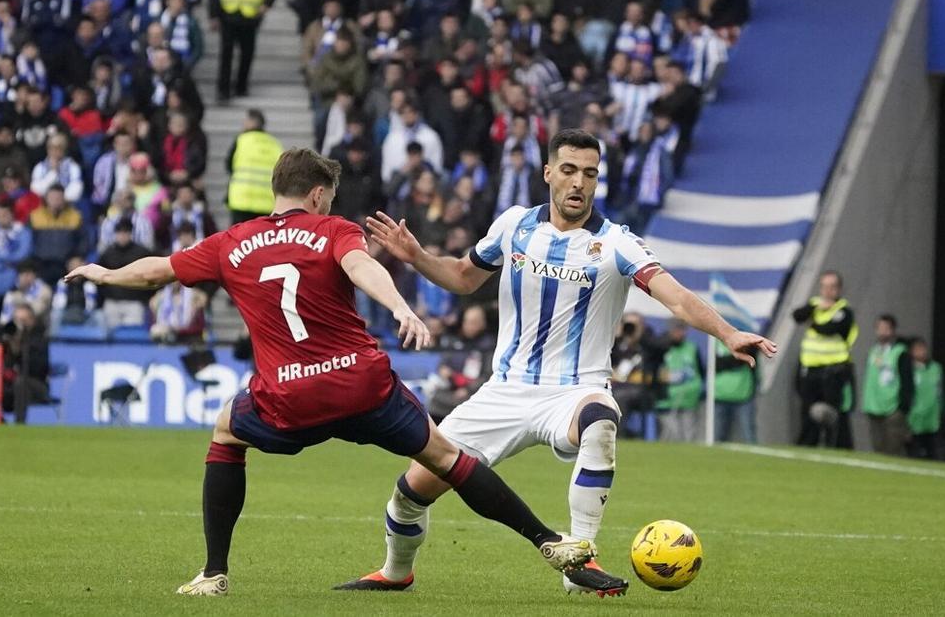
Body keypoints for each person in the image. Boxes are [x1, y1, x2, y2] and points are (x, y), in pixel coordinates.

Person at [64, 147, 596, 596]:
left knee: (226, 430)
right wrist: (399, 307)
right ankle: (547, 539)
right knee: (445, 457)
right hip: (361, 386)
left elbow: (157, 271)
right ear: (318, 195)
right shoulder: (332, 229)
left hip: (289, 397)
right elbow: (361, 266)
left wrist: (105, 273)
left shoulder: (229, 244)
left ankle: (214, 571)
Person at [346, 129, 775, 595]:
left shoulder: (618, 244)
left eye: (589, 174)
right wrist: (417, 257)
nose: (579, 183)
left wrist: (728, 332)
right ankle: (395, 572)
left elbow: (675, 297)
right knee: (410, 493)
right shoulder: (514, 225)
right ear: (548, 173)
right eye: (569, 170)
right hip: (504, 390)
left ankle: (580, 560)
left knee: (601, 419)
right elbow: (464, 278)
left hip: (574, 390)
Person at [792, 271, 857, 449]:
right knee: (808, 412)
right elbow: (797, 315)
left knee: (833, 413)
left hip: (834, 370)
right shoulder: (814, 305)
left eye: (832, 287)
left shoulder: (843, 310)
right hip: (811, 368)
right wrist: (814, 309)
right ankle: (807, 446)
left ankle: (835, 446)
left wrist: (812, 321)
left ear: (839, 289)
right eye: (824, 287)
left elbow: (829, 329)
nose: (828, 291)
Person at [209, 0, 277, 103]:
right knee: (226, 54)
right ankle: (223, 89)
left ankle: (241, 86)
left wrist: (266, 4)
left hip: (249, 16)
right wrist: (213, 15)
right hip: (229, 14)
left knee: (247, 53)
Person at [860, 314, 914, 456]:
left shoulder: (900, 353)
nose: (882, 331)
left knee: (893, 449)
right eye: (880, 328)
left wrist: (903, 406)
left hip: (892, 408)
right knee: (877, 448)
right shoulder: (873, 352)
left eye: (886, 328)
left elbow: (907, 381)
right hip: (873, 407)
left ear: (893, 330)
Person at [225, 109, 284, 224]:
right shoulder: (275, 144)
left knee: (239, 240)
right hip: (267, 204)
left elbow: (228, 165)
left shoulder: (241, 140)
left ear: (251, 122)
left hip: (241, 201)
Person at [97, 219, 154, 329]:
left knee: (132, 336)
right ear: (115, 234)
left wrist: (144, 298)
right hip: (112, 302)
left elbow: (150, 276)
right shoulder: (107, 253)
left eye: (125, 232)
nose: (122, 236)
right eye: (119, 232)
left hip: (134, 303)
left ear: (130, 234)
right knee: (109, 337)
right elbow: (100, 279)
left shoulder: (141, 253)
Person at [2, 303, 52, 424]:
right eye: (16, 320)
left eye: (23, 320)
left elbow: (39, 368)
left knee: (20, 382)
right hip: (13, 384)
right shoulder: (11, 339)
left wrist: (23, 347)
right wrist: (12, 348)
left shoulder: (39, 338)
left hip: (38, 385)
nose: (20, 325)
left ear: (31, 320)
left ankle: (19, 423)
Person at [656, 319, 703, 442]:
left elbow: (701, 372)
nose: (679, 333)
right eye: (676, 329)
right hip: (666, 399)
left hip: (688, 398)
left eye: (682, 329)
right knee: (671, 436)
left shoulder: (692, 348)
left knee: (689, 435)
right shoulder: (660, 347)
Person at [712, 335, 758, 444]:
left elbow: (753, 364)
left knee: (748, 433)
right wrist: (734, 361)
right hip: (720, 396)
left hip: (743, 396)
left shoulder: (748, 348)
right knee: (718, 435)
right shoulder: (715, 345)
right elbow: (715, 364)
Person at [905, 337, 942, 460]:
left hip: (932, 418)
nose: (922, 352)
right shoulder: (909, 370)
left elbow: (940, 392)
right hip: (914, 416)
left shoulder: (936, 368)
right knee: (914, 451)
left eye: (923, 348)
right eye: (918, 349)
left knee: (933, 452)